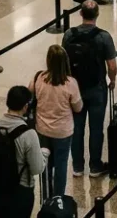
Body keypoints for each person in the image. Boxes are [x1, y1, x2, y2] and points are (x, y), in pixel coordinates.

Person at [63, 0, 117, 178]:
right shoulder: (104, 37)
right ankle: (95, 166)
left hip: (75, 89)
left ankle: (77, 166)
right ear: (98, 14)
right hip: (96, 88)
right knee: (96, 128)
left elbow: (64, 61)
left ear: (81, 13)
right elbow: (112, 65)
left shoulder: (69, 34)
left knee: (76, 128)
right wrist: (112, 80)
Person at [0, 86, 47, 218]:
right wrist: (44, 154)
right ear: (26, 106)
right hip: (20, 191)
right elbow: (37, 168)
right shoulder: (29, 134)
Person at [30, 45, 82, 196]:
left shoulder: (39, 78)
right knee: (61, 166)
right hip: (63, 132)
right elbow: (78, 107)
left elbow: (28, 94)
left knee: (45, 164)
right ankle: (58, 198)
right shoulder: (70, 83)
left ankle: (46, 196)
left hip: (42, 129)